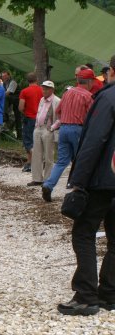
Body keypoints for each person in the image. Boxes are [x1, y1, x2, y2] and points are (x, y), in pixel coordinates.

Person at [57, 55, 115, 316]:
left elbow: (94, 139)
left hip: (104, 177)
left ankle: (86, 294)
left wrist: (78, 180)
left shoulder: (108, 97)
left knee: (84, 230)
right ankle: (109, 292)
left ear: (111, 71)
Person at [42, 69, 94, 202]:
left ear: (78, 80)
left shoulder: (67, 93)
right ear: (89, 81)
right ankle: (79, 191)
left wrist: (67, 118)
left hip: (64, 128)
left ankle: (48, 185)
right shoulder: (88, 96)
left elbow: (58, 111)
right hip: (78, 129)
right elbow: (92, 117)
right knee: (81, 161)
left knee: (61, 161)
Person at [28, 81, 60, 186]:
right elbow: (39, 113)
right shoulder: (42, 99)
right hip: (38, 128)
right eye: (43, 88)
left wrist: (52, 128)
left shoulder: (57, 101)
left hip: (48, 129)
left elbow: (60, 118)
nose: (44, 90)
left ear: (52, 90)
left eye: (47, 88)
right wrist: (37, 126)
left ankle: (47, 179)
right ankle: (37, 178)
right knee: (36, 154)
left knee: (48, 156)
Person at [18, 73, 43, 173]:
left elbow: (20, 107)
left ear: (27, 80)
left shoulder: (24, 91)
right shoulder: (42, 90)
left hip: (30, 118)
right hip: (41, 119)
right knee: (39, 141)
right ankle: (39, 161)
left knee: (28, 141)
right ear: (37, 79)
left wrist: (25, 112)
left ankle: (31, 163)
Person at [1, 70, 22, 140]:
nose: (4, 77)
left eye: (5, 76)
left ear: (9, 76)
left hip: (17, 100)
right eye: (2, 76)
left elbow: (7, 93)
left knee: (18, 117)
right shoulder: (4, 83)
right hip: (11, 100)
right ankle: (5, 114)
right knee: (16, 117)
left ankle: (4, 114)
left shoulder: (13, 82)